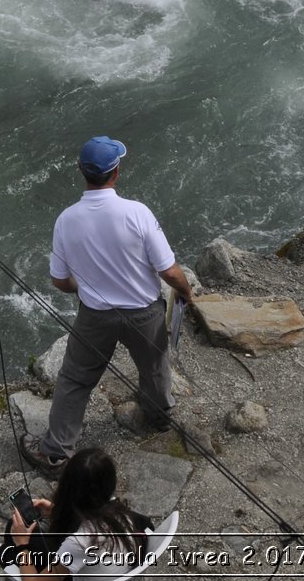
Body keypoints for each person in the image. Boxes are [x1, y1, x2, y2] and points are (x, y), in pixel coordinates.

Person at [20, 137, 195, 477]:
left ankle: (55, 454)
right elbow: (168, 270)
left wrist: (82, 287)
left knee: (75, 379)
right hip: (145, 313)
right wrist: (186, 292)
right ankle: (158, 418)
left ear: (80, 171)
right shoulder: (137, 213)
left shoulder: (66, 220)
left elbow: (59, 280)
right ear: (116, 172)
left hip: (95, 317)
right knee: (155, 368)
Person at [2, 448, 154, 576]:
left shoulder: (80, 543)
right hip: (109, 569)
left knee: (13, 530)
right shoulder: (120, 511)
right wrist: (56, 510)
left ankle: (8, 557)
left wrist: (22, 546)